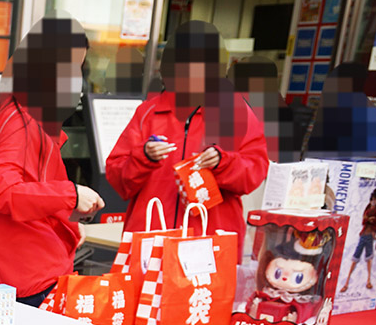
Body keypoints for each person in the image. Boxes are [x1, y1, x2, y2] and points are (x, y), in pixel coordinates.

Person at [0, 16, 103, 307]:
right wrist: (72, 195)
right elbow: (2, 190)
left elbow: (29, 186)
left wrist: (67, 217)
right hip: (27, 270)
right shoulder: (21, 118)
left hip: (22, 266)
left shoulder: (21, 110)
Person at [106, 21, 268, 239]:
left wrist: (223, 162)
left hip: (209, 240)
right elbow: (117, 177)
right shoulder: (148, 112)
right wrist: (143, 157)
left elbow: (255, 171)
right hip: (151, 237)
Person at [340, 188, 376, 293]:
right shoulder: (368, 209)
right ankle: (346, 282)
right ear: (371, 200)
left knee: (368, 259)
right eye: (373, 199)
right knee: (355, 258)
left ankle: (368, 280)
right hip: (363, 235)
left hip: (369, 236)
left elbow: (373, 222)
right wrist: (369, 220)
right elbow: (365, 221)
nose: (374, 201)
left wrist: (374, 233)